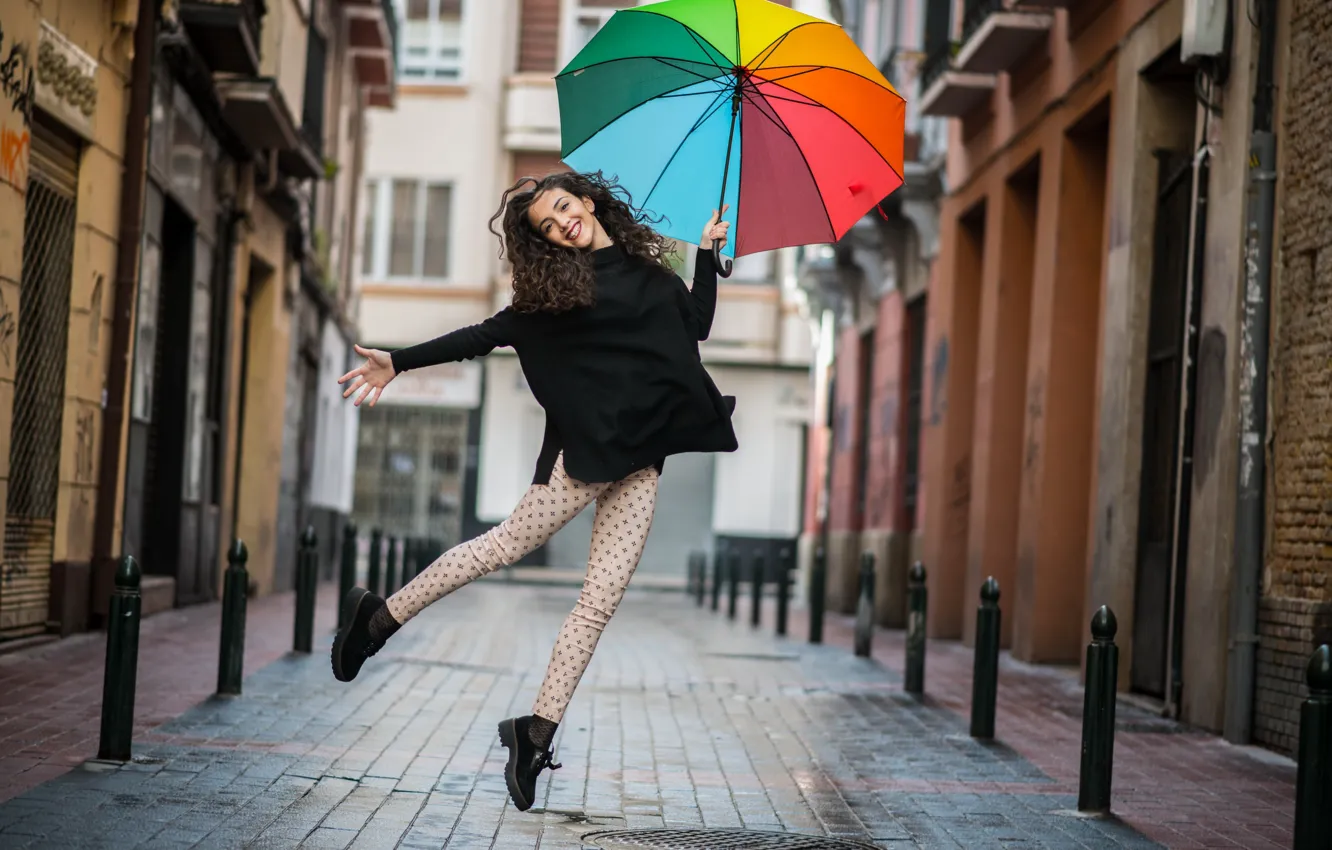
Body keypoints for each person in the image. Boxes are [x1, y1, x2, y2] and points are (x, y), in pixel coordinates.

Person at [330, 171, 738, 813]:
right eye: (547, 227)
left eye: (562, 209)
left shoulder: (653, 274)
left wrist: (709, 257)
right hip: (579, 460)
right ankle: (378, 620)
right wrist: (400, 361)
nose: (561, 225)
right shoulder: (556, 296)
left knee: (599, 601)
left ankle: (535, 734)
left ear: (587, 201)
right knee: (498, 549)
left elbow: (696, 325)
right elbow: (482, 337)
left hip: (641, 459)